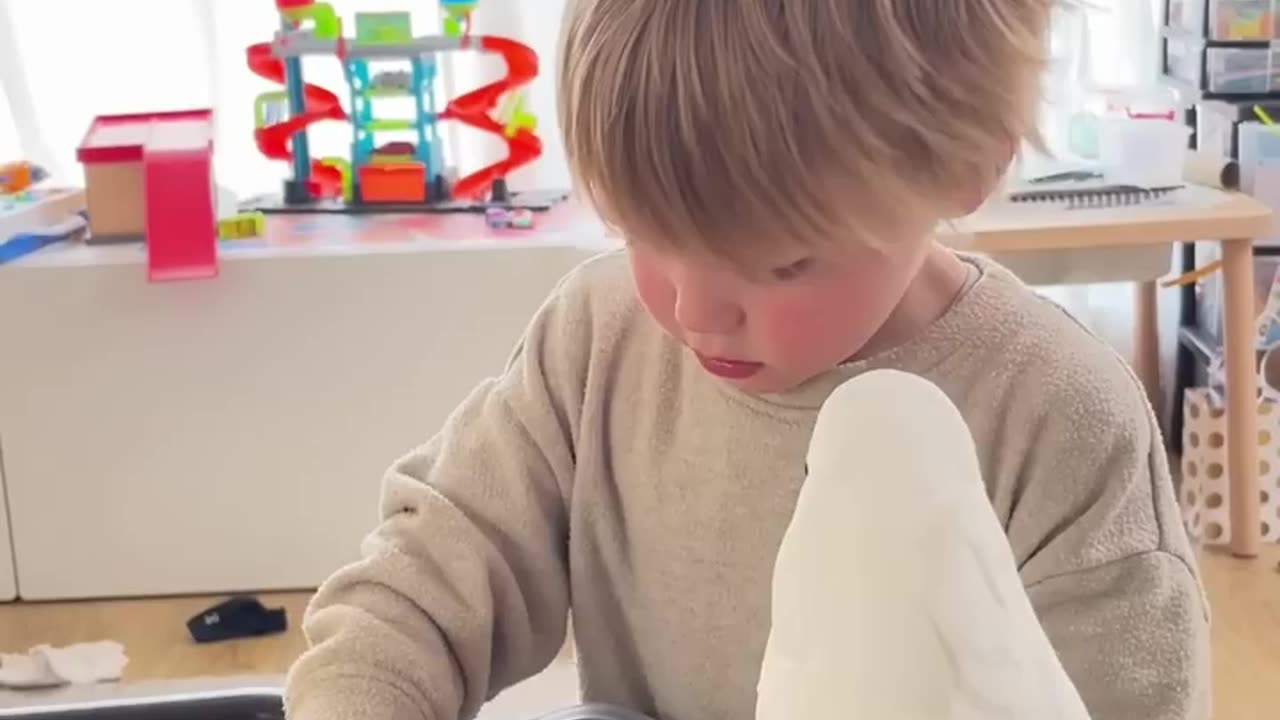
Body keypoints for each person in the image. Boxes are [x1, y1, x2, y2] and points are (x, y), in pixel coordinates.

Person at [284, 2, 1209, 719]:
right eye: (642, 234)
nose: (692, 312)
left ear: (962, 173)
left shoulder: (1058, 419)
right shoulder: (597, 336)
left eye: (779, 264)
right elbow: (420, 587)